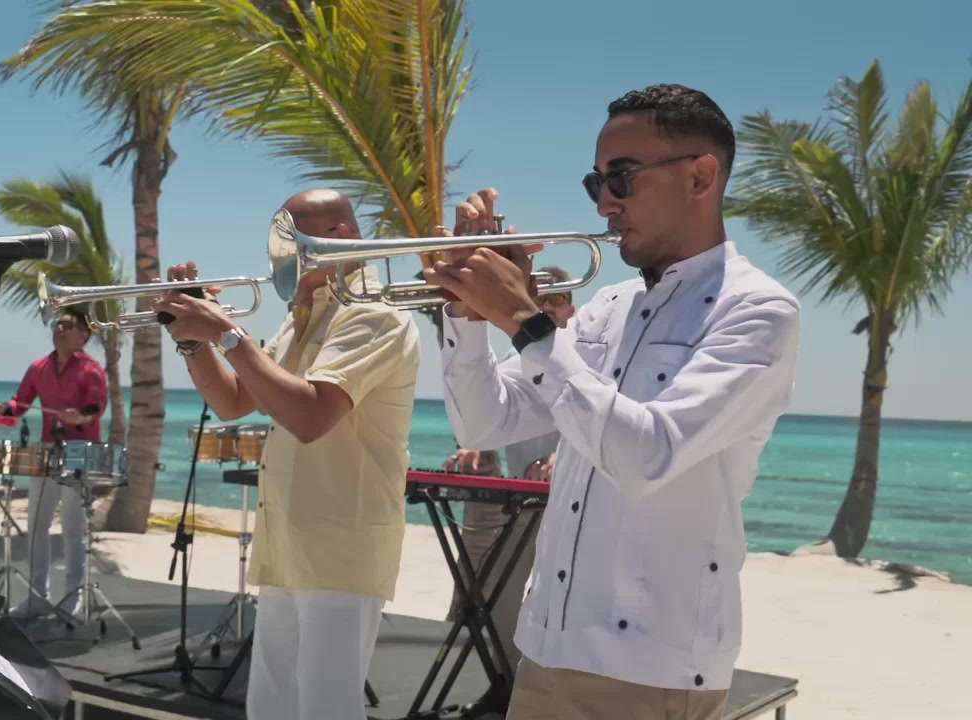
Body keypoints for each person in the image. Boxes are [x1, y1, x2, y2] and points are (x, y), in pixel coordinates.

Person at [424, 84, 801, 719]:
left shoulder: (758, 310)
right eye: (595, 182)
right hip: (544, 649)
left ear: (701, 176)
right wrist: (466, 315)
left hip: (648, 671)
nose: (604, 203)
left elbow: (647, 455)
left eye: (621, 178)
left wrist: (524, 321)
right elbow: (483, 422)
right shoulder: (609, 305)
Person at [152, 188, 421, 720]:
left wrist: (225, 331)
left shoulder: (376, 315)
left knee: (327, 710)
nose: (280, 257)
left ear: (342, 237)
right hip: (288, 544)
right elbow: (233, 401)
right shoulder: (302, 318)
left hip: (340, 547)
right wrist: (193, 340)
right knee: (270, 708)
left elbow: (310, 417)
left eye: (292, 241)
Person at [440, 267, 571, 717]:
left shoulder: (590, 356)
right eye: (540, 301)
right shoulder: (517, 362)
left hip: (577, 511)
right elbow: (493, 408)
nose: (547, 309)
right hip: (526, 503)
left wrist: (564, 456)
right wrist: (475, 444)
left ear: (571, 310)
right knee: (495, 596)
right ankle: (507, 684)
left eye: (556, 302)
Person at [0, 305, 107, 617]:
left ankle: (73, 597)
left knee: (72, 526)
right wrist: (3, 409)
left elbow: (96, 408)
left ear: (83, 335)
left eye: (67, 325)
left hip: (79, 449)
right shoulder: (38, 367)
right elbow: (20, 403)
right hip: (46, 449)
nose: (59, 330)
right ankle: (38, 596)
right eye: (57, 325)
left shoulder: (92, 369)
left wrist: (79, 416)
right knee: (37, 524)